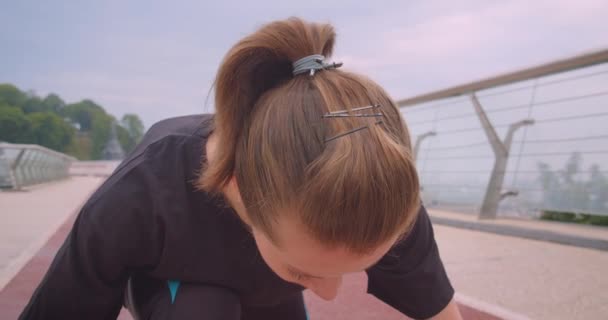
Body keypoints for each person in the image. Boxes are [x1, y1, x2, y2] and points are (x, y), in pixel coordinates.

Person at [20, 18, 462, 320]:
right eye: (305, 273)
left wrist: (297, 270)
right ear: (239, 186)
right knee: (203, 308)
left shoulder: (378, 194)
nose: (330, 293)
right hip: (177, 291)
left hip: (270, 294)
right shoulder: (140, 192)